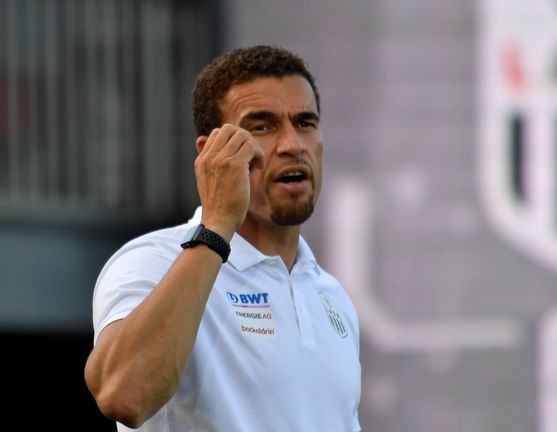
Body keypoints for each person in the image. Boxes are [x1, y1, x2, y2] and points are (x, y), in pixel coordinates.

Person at [84, 45, 362, 431]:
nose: (293, 144)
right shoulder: (153, 260)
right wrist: (216, 227)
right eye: (262, 126)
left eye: (305, 122)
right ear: (210, 153)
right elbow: (123, 394)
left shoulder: (331, 296)